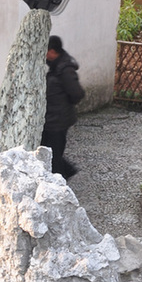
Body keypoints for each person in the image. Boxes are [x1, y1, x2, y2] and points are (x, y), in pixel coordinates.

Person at [41, 35, 85, 179]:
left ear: (53, 51)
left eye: (46, 51)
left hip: (59, 119)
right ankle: (66, 171)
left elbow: (77, 93)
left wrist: (63, 105)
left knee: (54, 152)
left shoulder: (65, 70)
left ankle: (60, 178)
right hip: (51, 118)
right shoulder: (56, 66)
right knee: (48, 149)